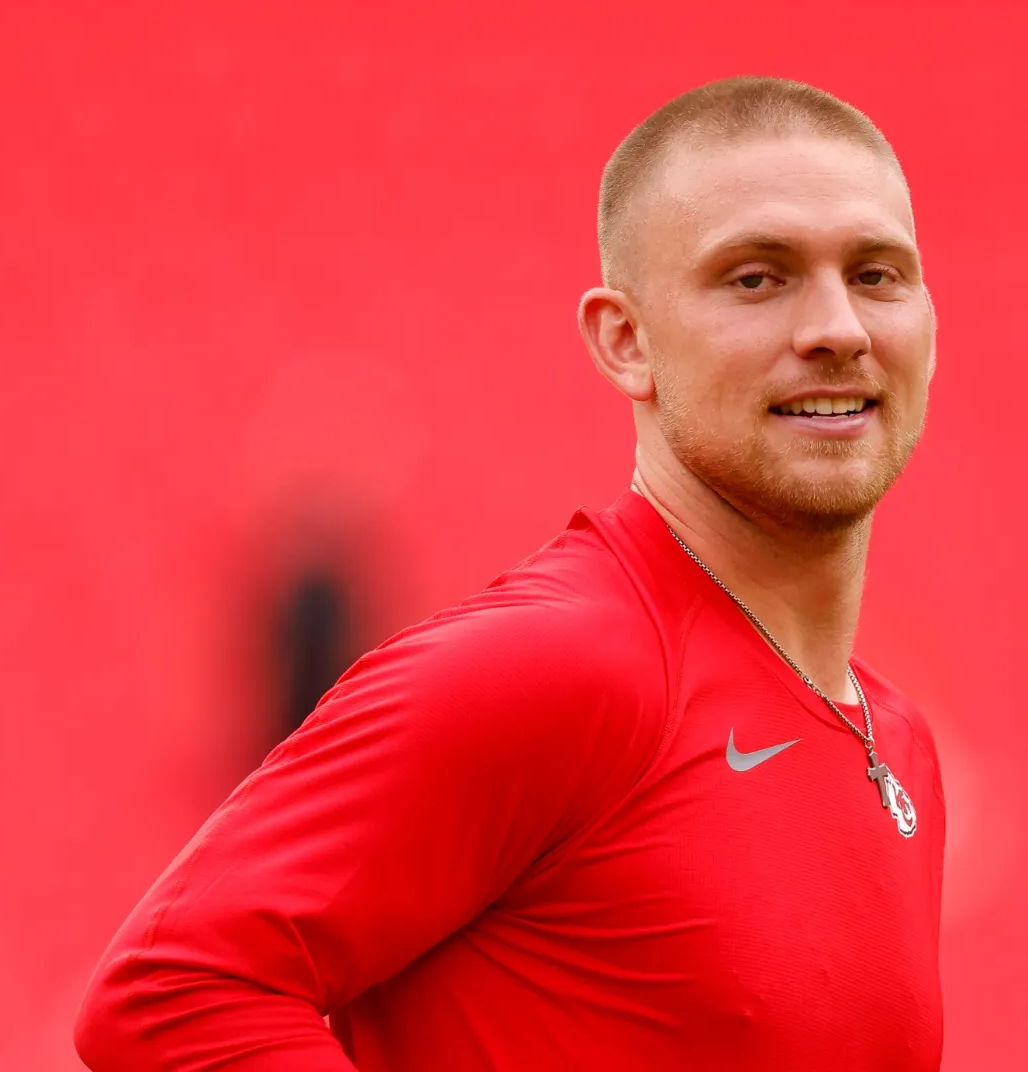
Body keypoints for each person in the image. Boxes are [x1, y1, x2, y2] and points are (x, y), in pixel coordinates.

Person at [74, 75, 945, 1071]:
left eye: (877, 275)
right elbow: (172, 990)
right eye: (757, 278)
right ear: (626, 341)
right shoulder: (555, 667)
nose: (838, 327)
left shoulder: (898, 745)